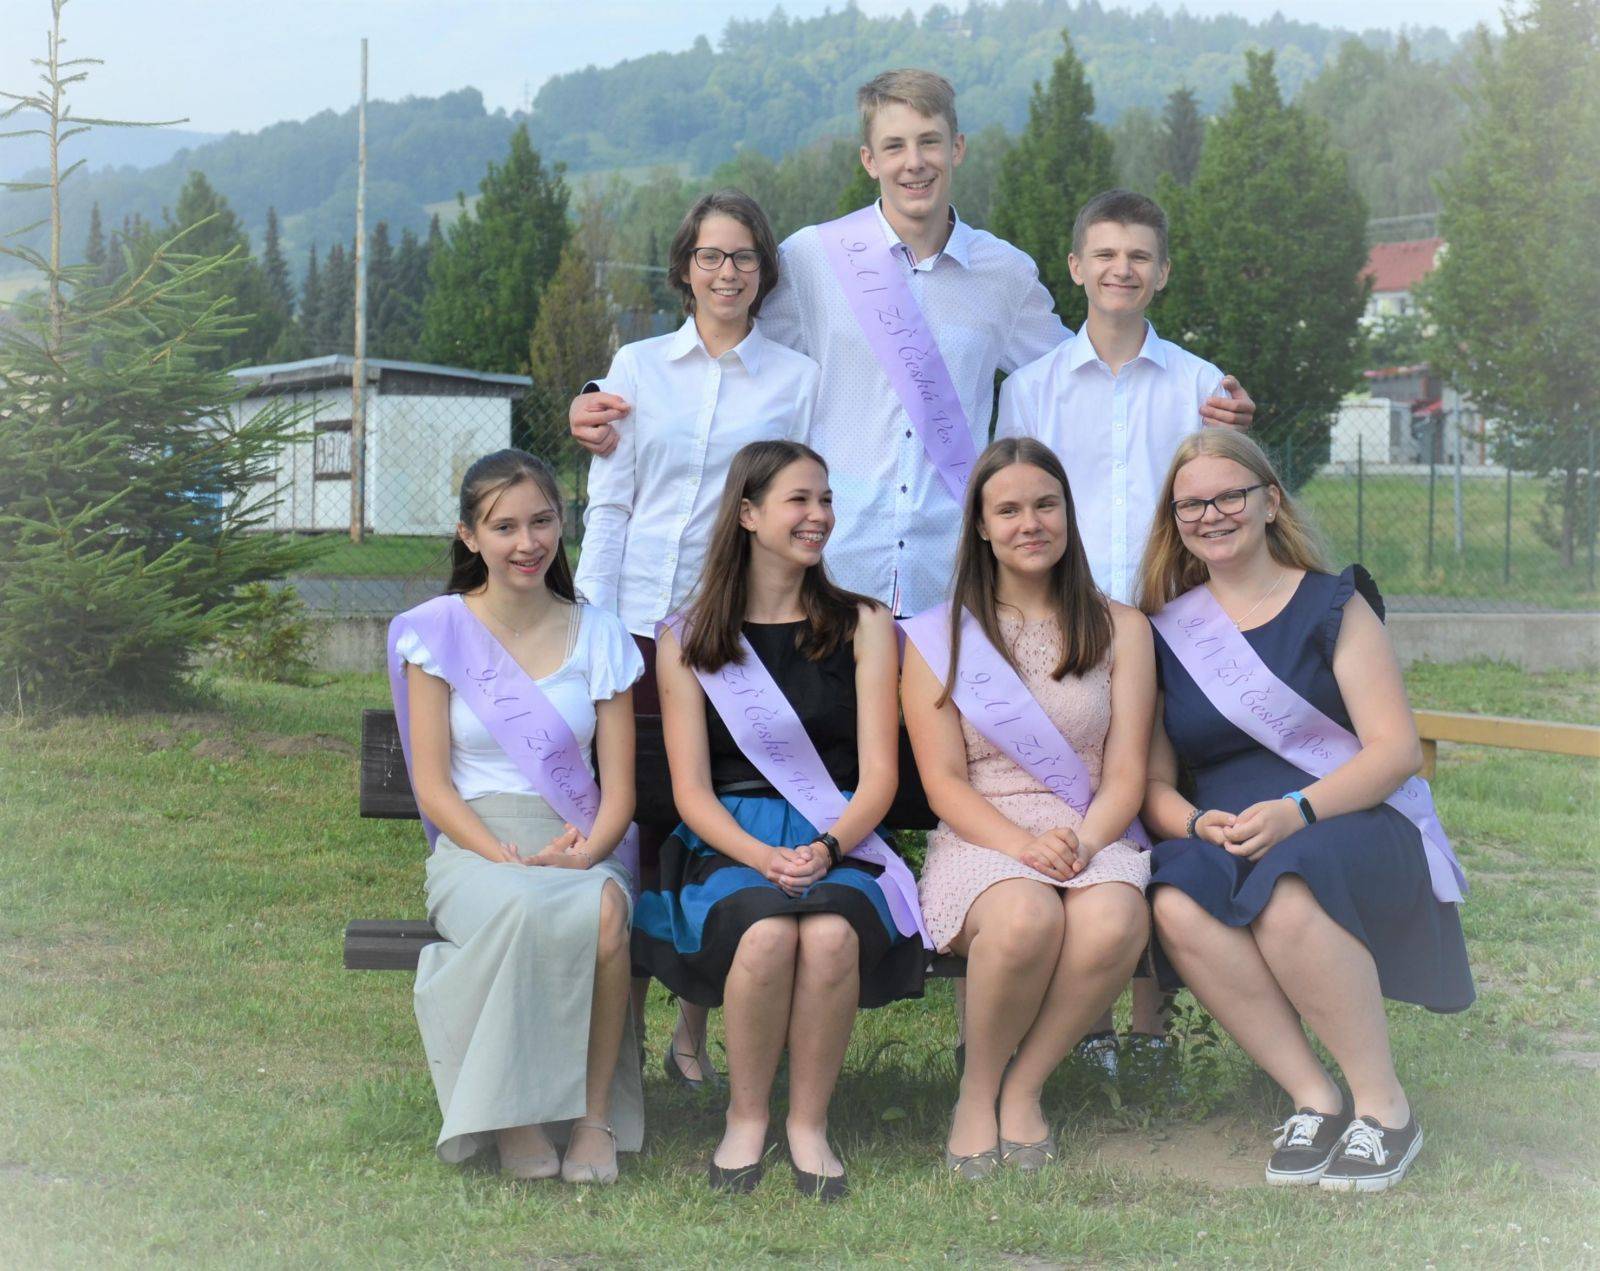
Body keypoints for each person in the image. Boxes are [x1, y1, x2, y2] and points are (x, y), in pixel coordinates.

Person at [571, 71, 1254, 618]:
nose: (914, 162)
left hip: (950, 577)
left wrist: (1200, 398)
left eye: (930, 142)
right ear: (869, 159)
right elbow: (728, 364)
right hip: (828, 571)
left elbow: (1083, 374)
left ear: (957, 149)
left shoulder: (1006, 274)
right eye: (895, 146)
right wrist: (601, 398)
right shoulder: (813, 259)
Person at [1137, 429, 1473, 1191]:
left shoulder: (1333, 603)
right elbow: (1152, 784)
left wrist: (1297, 810)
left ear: (1270, 502)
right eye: (1191, 504)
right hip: (1231, 835)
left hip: (1345, 818)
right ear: (1175, 520)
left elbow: (1394, 749)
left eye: (1230, 495)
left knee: (1288, 885)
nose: (1212, 514)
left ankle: (1385, 1109)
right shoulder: (1165, 632)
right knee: (1176, 897)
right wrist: (1193, 823)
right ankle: (1314, 1098)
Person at [996, 188, 1252, 1071]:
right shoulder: (1030, 388)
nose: (1121, 269)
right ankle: (1088, 1020)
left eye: (1139, 255)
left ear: (1163, 272)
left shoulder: (1200, 387)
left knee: (1156, 797)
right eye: (1104, 253)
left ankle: (1151, 1027)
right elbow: (1010, 504)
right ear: (1075, 267)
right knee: (1076, 795)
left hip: (1174, 626)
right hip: (1061, 626)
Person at [632, 440, 925, 1200]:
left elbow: (880, 774)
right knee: (764, 932)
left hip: (841, 834)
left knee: (829, 935)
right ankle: (746, 1118)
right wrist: (761, 856)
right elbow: (692, 791)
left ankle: (809, 1124)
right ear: (749, 513)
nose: (819, 515)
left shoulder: (864, 624)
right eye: (799, 499)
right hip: (730, 841)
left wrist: (829, 845)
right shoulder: (688, 636)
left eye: (825, 499)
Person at [575, 189, 820, 1091]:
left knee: (714, 820)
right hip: (637, 630)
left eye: (744, 256)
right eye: (711, 256)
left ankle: (692, 1032)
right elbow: (611, 505)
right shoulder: (637, 367)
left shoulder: (796, 380)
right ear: (683, 268)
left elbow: (795, 509)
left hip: (731, 640)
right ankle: (621, 1031)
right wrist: (592, 625)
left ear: (764, 272)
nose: (727, 272)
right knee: (635, 823)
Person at [388, 449, 645, 1184]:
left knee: (603, 911)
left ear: (563, 524)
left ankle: (593, 1118)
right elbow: (433, 785)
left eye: (542, 521)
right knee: (521, 906)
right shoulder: (437, 633)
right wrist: (496, 853)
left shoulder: (600, 634)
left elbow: (619, 793)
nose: (527, 543)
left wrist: (587, 853)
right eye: (504, 527)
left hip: (575, 838)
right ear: (469, 536)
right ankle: (517, 1117)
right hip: (475, 846)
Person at [901, 437, 1156, 1179]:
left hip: (1089, 829)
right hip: (983, 835)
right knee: (1025, 916)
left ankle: (1023, 1086)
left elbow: (1126, 772)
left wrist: (1085, 841)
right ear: (981, 527)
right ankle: (976, 1095)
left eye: (1046, 505)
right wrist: (1021, 844)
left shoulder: (1121, 628)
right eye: (1008, 510)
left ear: (1067, 514)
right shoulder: (940, 636)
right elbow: (944, 782)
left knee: (1115, 919)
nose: (1030, 523)